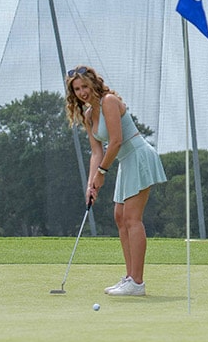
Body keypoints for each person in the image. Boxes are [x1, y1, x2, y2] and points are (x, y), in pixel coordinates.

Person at [65, 65, 166, 297]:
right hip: (124, 162)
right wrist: (91, 183)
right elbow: (96, 152)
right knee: (120, 217)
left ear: (93, 83)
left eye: (84, 86)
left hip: (138, 156)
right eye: (77, 89)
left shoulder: (109, 101)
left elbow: (117, 141)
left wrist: (102, 173)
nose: (82, 92)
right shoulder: (89, 115)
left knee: (132, 218)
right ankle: (130, 278)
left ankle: (137, 283)